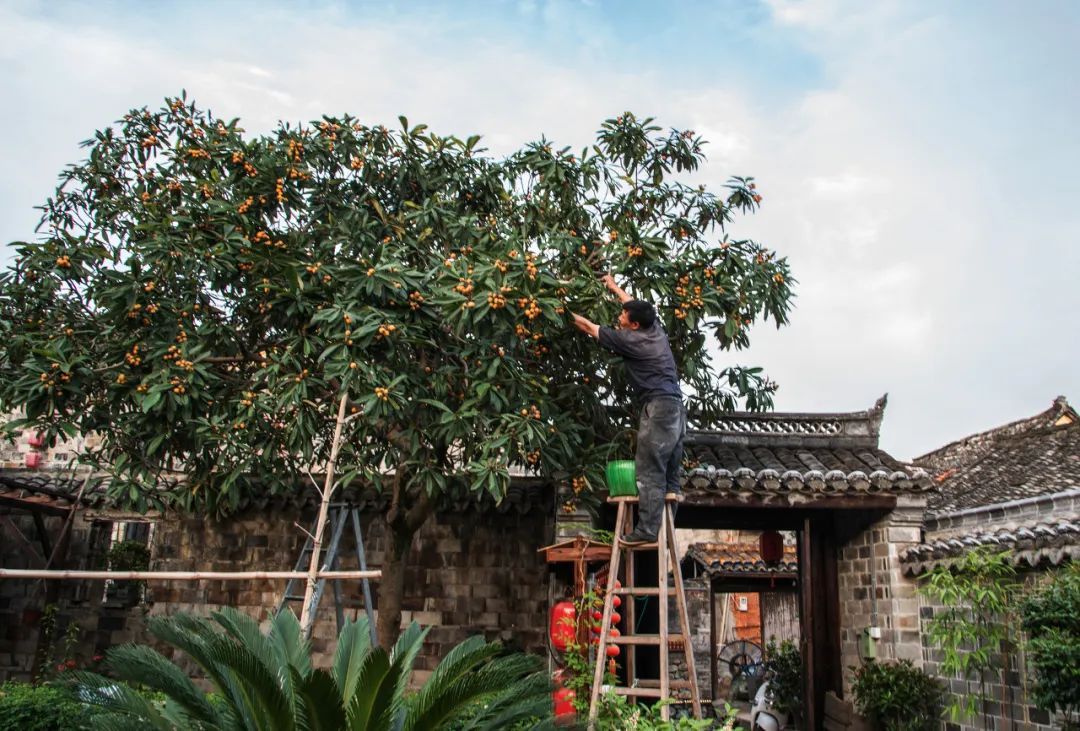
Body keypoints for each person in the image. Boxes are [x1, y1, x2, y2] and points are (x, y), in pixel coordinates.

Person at [571, 274, 687, 545]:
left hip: (658, 409)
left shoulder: (630, 341)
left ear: (634, 325)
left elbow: (587, 327)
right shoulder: (654, 328)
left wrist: (558, 309)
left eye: (624, 315)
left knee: (649, 470)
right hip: (676, 409)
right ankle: (666, 528)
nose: (620, 315)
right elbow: (633, 303)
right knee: (670, 475)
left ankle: (646, 531)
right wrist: (614, 287)